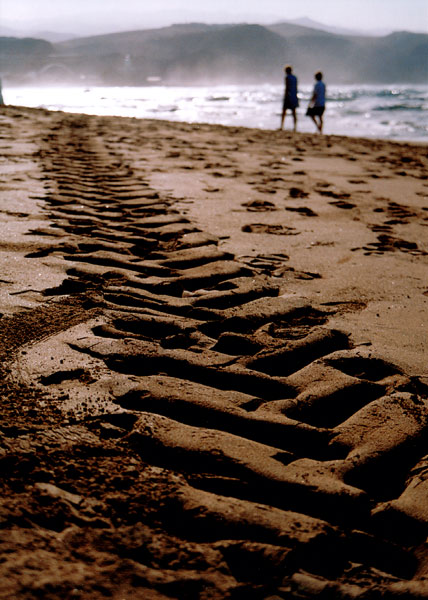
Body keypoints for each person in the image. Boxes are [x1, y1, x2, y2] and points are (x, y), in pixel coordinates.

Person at [280, 65, 299, 132]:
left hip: (288, 96)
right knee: (294, 113)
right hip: (294, 96)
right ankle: (295, 127)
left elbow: (287, 88)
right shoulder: (295, 78)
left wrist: (285, 96)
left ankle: (281, 126)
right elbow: (296, 88)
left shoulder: (287, 77)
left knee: (284, 111)